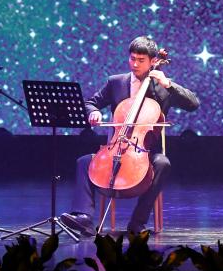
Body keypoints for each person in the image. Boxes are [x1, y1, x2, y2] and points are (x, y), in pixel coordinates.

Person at [60, 36, 200, 237]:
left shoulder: (163, 86)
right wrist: (94, 112)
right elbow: (91, 103)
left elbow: (193, 104)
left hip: (146, 152)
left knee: (163, 164)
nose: (135, 64)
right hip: (115, 147)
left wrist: (168, 84)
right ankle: (84, 217)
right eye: (132, 59)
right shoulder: (116, 82)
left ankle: (137, 222)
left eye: (141, 60)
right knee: (84, 162)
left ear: (153, 61)